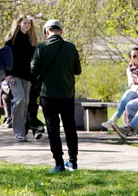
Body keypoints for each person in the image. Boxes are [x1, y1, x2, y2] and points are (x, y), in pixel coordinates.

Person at [30, 18, 81, 173]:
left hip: (48, 94)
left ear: (46, 32)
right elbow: (77, 70)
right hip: (67, 93)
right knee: (70, 127)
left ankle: (59, 163)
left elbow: (33, 70)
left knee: (52, 128)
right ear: (61, 32)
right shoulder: (71, 47)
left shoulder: (41, 47)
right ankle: (73, 161)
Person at [5, 14, 37, 142]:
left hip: (27, 75)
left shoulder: (31, 40)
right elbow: (7, 57)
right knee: (20, 100)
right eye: (25, 23)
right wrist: (7, 74)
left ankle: (23, 132)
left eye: (29, 23)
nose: (27, 26)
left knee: (26, 103)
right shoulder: (11, 40)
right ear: (19, 24)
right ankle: (17, 130)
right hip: (14, 75)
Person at [102, 46, 138, 131]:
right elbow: (131, 84)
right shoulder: (129, 69)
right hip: (137, 92)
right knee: (128, 93)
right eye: (134, 56)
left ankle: (114, 119)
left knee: (129, 99)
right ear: (130, 58)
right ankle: (115, 120)